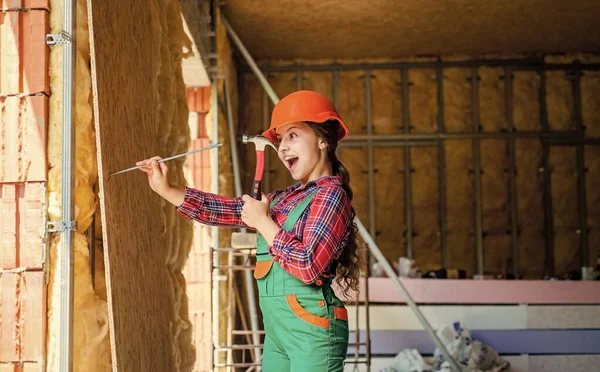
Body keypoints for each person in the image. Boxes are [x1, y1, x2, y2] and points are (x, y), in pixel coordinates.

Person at [136, 90, 363, 372]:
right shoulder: (285, 198)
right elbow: (229, 210)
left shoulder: (331, 196)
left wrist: (263, 222)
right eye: (279, 140)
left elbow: (309, 265)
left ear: (322, 139)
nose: (282, 148)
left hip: (313, 330)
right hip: (279, 330)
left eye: (293, 135)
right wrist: (167, 190)